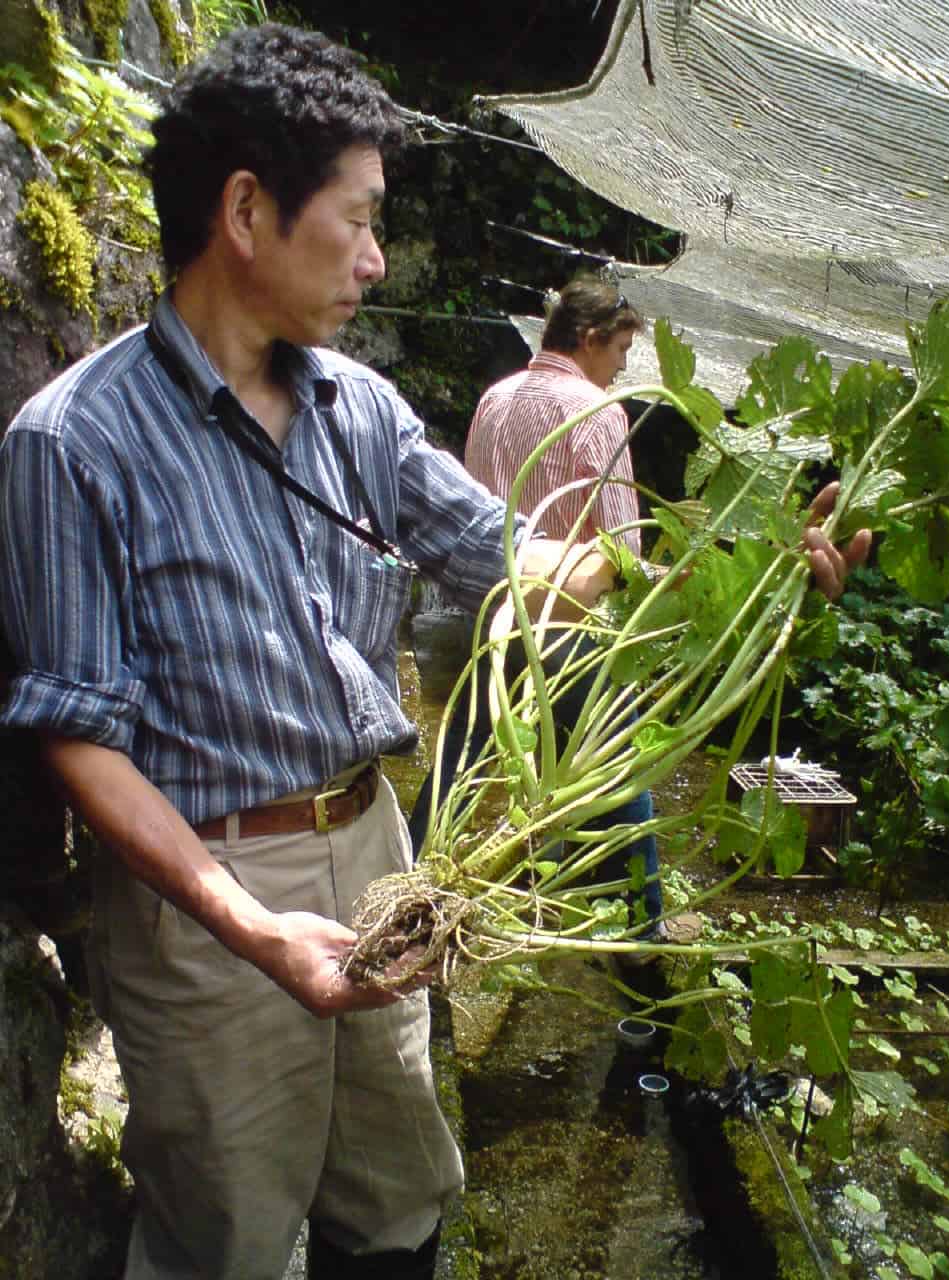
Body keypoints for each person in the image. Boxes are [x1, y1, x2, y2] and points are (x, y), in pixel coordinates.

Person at [0, 26, 869, 1280]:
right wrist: (254, 928)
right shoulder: (72, 442)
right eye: (356, 221)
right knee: (227, 1238)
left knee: (400, 1202)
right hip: (207, 896)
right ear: (246, 211)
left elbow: (530, 563)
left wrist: (745, 568)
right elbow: (79, 732)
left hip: (375, 855)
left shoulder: (359, 409)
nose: (376, 257)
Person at [410, 278, 694, 943]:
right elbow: (621, 552)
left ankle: (410, 894)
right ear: (592, 339)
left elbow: (475, 521)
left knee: (461, 762)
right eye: (620, 350)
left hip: (489, 612)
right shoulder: (598, 408)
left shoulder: (495, 398)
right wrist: (680, 575)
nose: (622, 367)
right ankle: (644, 930)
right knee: (616, 771)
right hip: (565, 625)